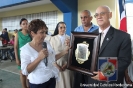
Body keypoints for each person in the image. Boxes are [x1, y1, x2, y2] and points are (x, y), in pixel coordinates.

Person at [89, 5, 131, 88]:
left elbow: (124, 60)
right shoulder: (90, 36)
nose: (99, 17)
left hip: (111, 83)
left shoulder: (123, 37)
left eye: (102, 13)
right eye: (97, 15)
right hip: (92, 82)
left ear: (110, 15)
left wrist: (105, 73)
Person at [20, 19, 70, 88]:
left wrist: (65, 51)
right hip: (38, 83)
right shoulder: (26, 49)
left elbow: (52, 58)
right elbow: (25, 71)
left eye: (45, 32)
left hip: (51, 79)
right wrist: (39, 58)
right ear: (32, 33)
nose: (44, 35)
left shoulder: (46, 43)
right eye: (41, 32)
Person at [73, 10, 99, 88]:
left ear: (91, 18)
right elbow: (74, 45)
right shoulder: (77, 30)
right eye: (81, 18)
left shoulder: (98, 29)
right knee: (79, 83)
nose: (83, 19)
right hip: (79, 62)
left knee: (90, 83)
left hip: (92, 62)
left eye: (85, 17)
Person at [50, 22, 73, 88]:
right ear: (58, 28)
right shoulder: (52, 39)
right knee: (59, 84)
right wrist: (56, 65)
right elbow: (50, 54)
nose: (63, 29)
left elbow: (72, 53)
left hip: (67, 65)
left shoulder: (70, 38)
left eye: (64, 27)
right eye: (61, 27)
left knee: (68, 83)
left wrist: (66, 65)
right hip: (56, 65)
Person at [14, 18, 31, 88]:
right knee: (22, 73)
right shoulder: (18, 34)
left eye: (26, 23)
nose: (25, 25)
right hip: (21, 56)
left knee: (29, 72)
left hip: (30, 56)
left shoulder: (30, 34)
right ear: (20, 25)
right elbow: (15, 47)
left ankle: (29, 86)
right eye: (23, 24)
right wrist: (17, 59)